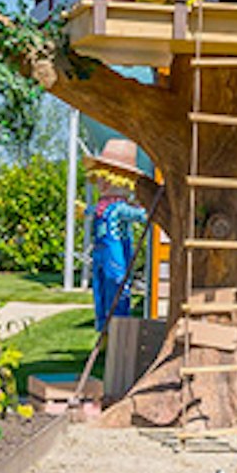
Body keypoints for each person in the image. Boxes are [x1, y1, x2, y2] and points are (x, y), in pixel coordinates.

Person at [86, 139, 152, 332]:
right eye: (100, 178)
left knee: (117, 288)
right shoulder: (101, 207)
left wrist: (147, 211)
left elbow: (140, 215)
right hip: (100, 256)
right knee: (100, 290)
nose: (102, 183)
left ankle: (119, 331)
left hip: (116, 260)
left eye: (107, 178)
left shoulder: (120, 208)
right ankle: (103, 330)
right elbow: (92, 211)